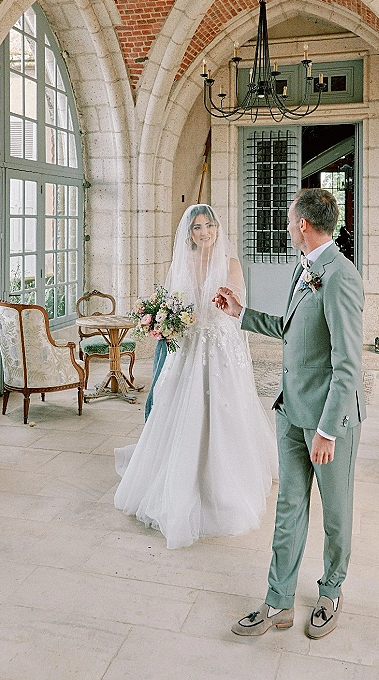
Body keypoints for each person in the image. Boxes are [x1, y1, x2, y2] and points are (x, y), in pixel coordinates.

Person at [214, 188, 365, 639]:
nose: (285, 223)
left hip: (327, 423)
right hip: (290, 411)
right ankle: (277, 601)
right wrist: (241, 313)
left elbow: (347, 365)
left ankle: (331, 591)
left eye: (288, 217)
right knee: (289, 508)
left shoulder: (339, 276)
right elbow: (290, 329)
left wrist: (327, 431)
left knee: (336, 513)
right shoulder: (305, 270)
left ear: (303, 224)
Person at [114, 204, 277, 549]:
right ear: (189, 234)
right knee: (179, 410)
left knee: (224, 410)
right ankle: (178, 480)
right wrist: (163, 320)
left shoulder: (231, 264)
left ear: (218, 228)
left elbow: (233, 306)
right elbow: (173, 303)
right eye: (197, 228)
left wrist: (222, 302)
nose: (204, 232)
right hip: (188, 345)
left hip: (220, 344)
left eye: (209, 226)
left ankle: (222, 485)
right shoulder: (181, 263)